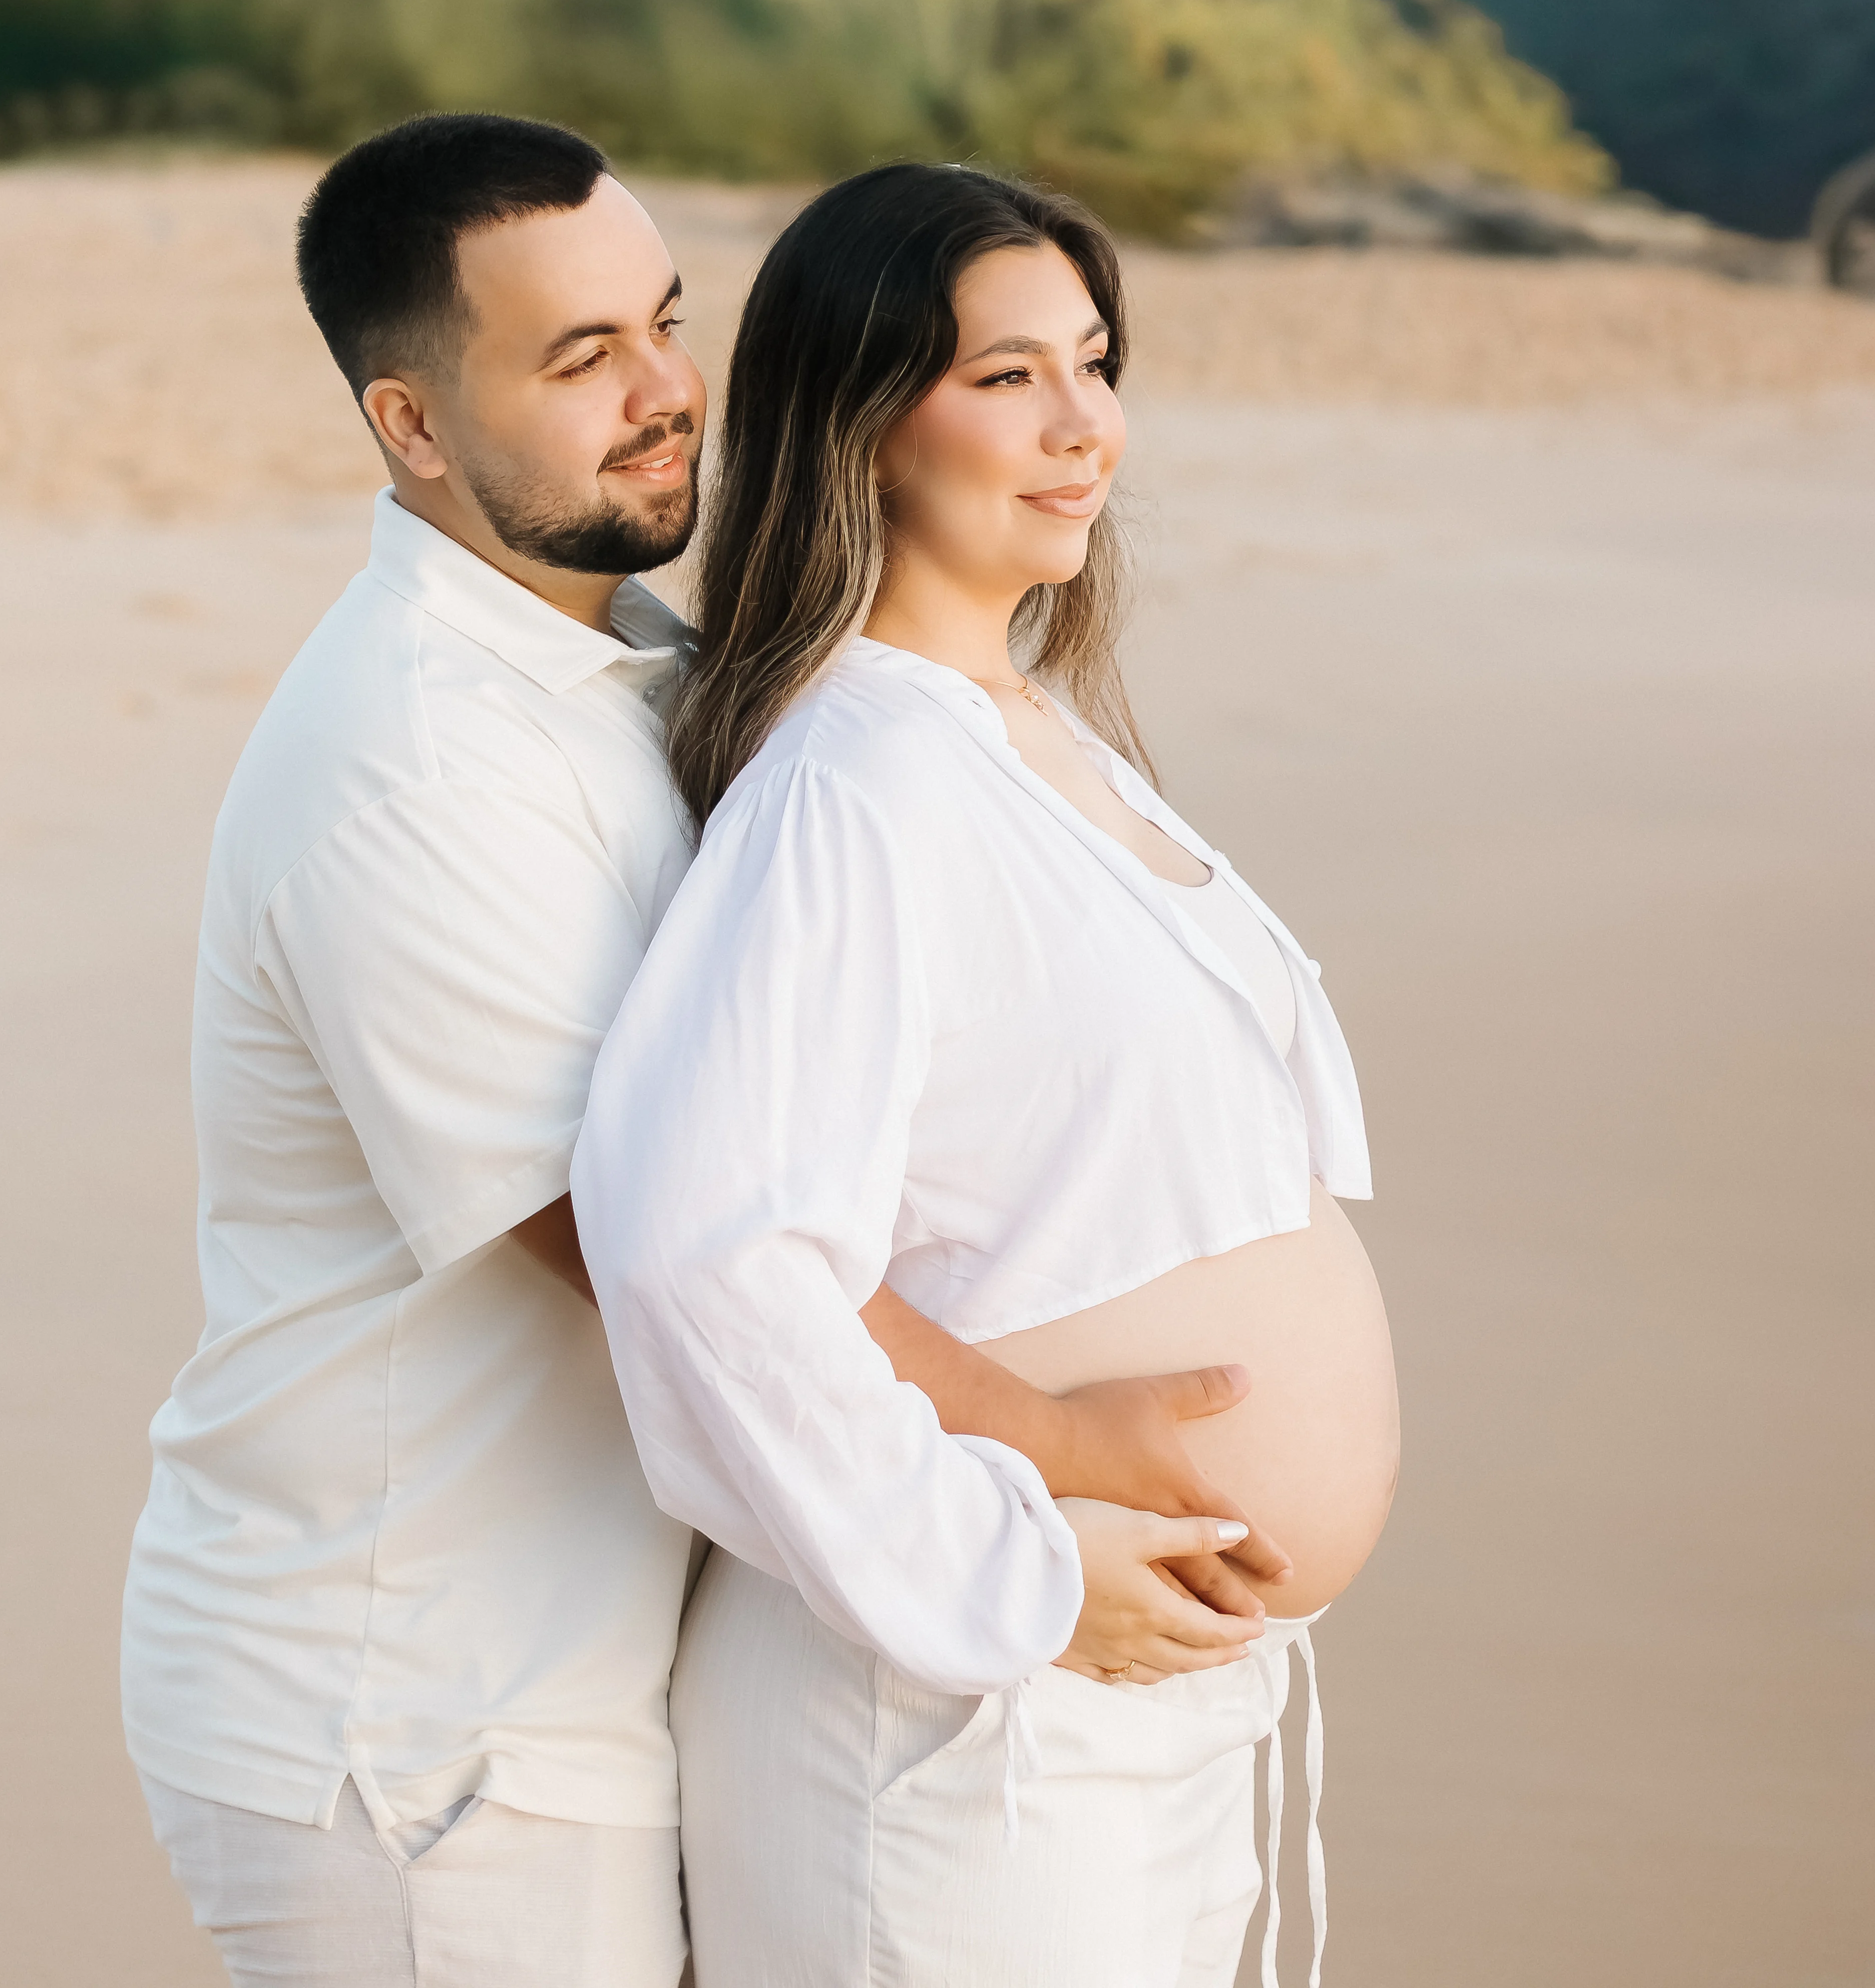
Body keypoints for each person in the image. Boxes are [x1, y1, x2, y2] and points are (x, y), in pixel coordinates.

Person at [121, 114, 1295, 1988]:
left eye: (662, 319)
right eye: (580, 359)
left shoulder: (627, 664)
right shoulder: (417, 765)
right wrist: (1044, 1464)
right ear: (413, 423)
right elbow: (633, 1239)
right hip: (422, 1707)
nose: (669, 391)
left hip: (593, 1673)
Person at [573, 162, 1401, 1988]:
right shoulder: (851, 783)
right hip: (967, 1723)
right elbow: (699, 1246)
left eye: (1094, 364)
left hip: (1130, 1709)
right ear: (864, 426)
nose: (1084, 426)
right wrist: (1011, 1575)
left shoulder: (1023, 732)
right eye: (1007, 377)